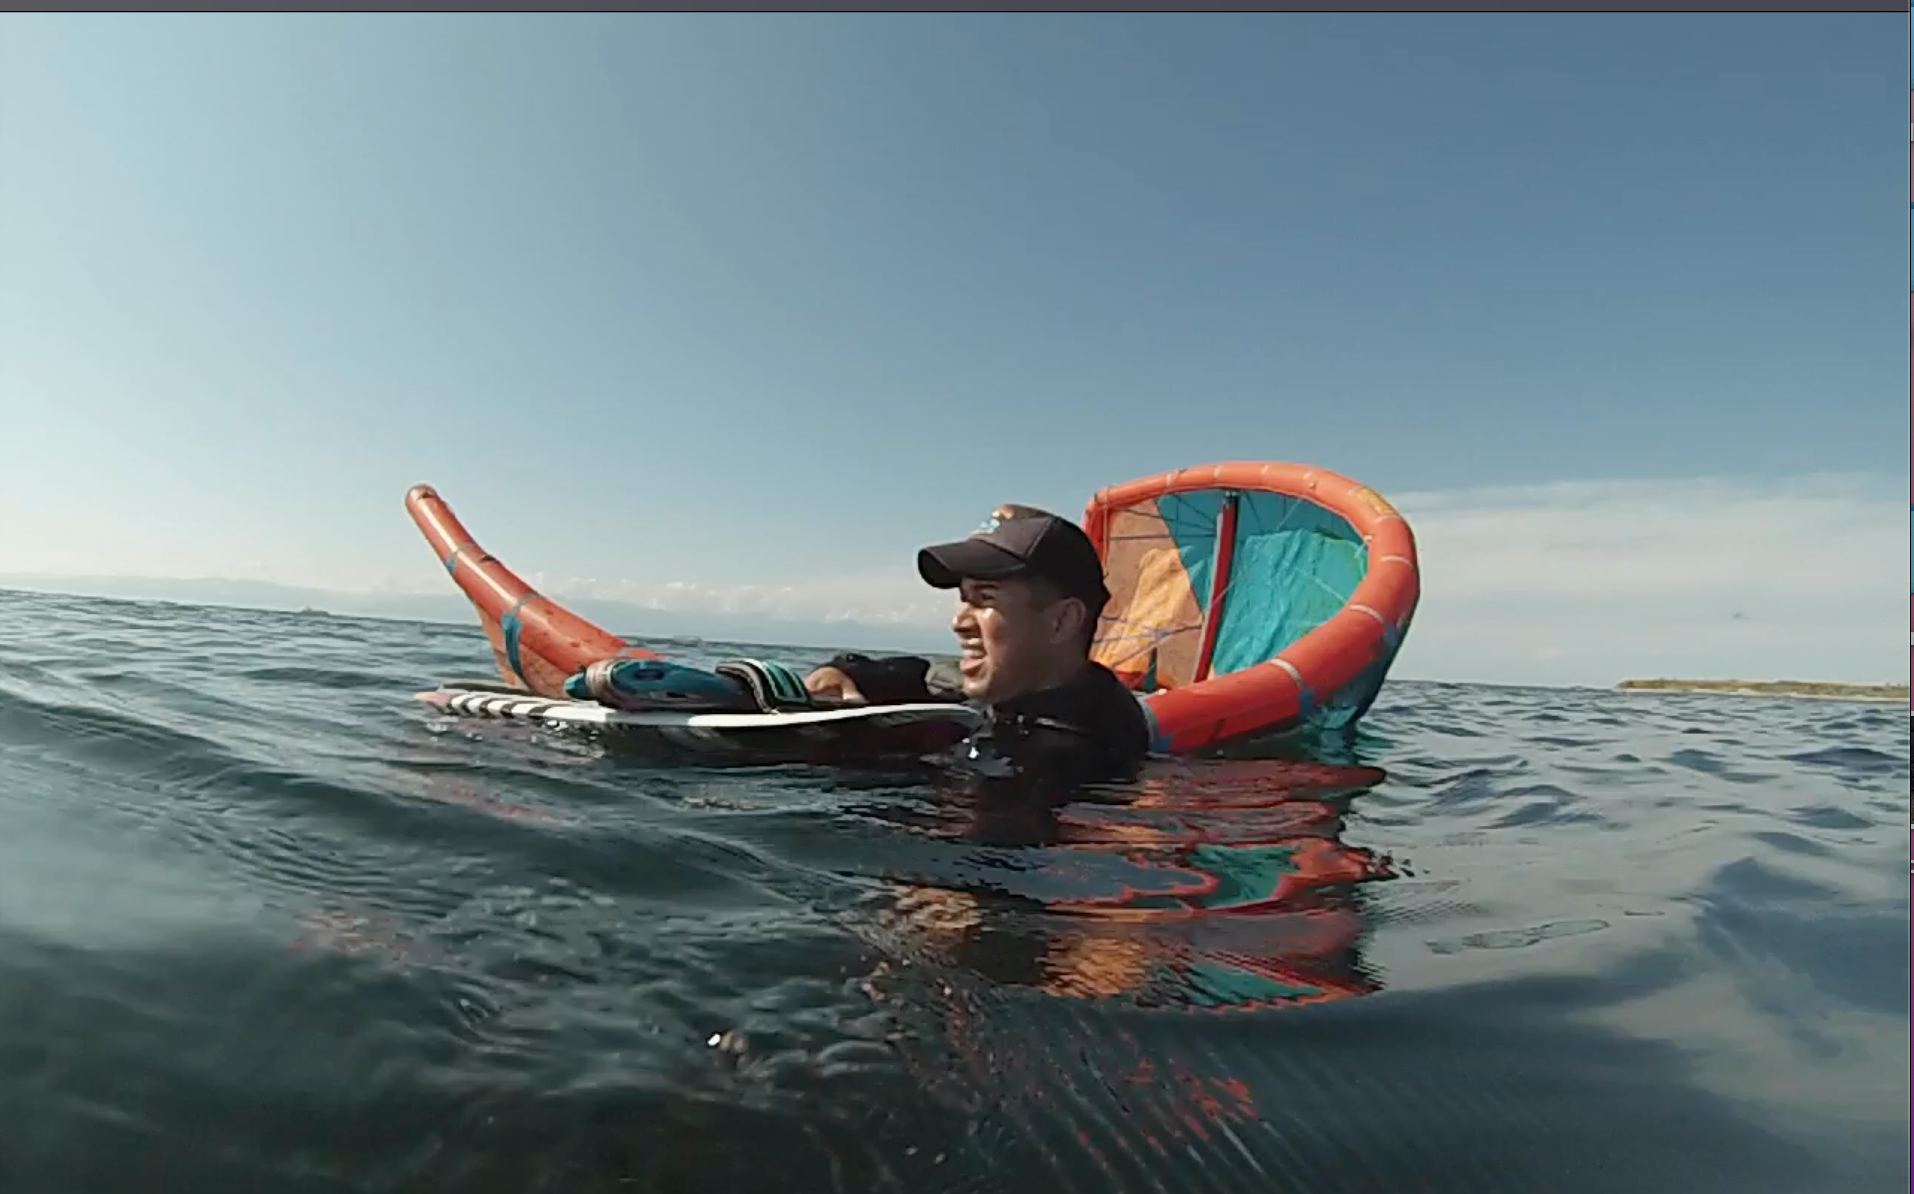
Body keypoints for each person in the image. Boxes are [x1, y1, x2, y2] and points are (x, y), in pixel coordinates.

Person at [802, 504, 1152, 787]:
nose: (959, 621)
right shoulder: (1018, 692)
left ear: (1061, 621)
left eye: (984, 599)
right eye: (963, 598)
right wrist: (842, 671)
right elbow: (925, 677)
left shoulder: (1060, 760)